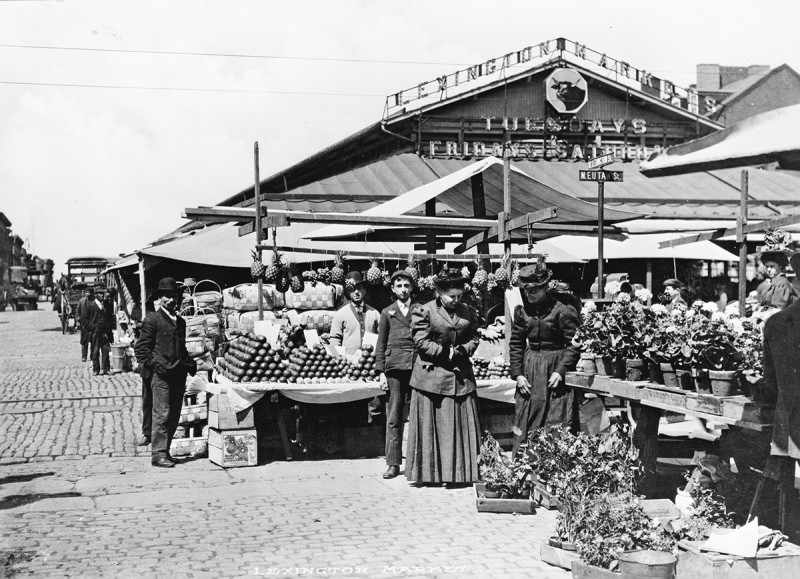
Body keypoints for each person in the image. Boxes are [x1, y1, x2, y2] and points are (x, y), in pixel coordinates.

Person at [406, 268, 481, 485]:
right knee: (435, 427)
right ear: (439, 292)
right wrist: (444, 352)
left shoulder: (467, 310)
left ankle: (460, 473)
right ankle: (431, 474)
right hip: (432, 377)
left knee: (457, 425)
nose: (457, 300)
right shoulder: (424, 311)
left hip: (460, 377)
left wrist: (465, 350)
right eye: (452, 296)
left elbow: (474, 336)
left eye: (460, 295)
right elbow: (420, 341)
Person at [508, 259, 581, 454]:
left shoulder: (563, 310)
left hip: (555, 370)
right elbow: (516, 343)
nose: (529, 295)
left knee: (555, 417)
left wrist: (561, 371)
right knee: (527, 415)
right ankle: (525, 466)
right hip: (530, 369)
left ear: (545, 287)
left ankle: (551, 465)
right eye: (526, 290)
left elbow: (574, 344)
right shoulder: (522, 312)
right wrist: (518, 375)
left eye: (534, 290)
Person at [134, 277, 197, 468]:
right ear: (160, 298)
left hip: (178, 374)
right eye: (167, 297)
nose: (171, 300)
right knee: (162, 413)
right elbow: (141, 349)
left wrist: (190, 364)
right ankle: (158, 454)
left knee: (174, 414)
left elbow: (182, 348)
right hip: (160, 375)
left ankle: (166, 451)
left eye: (174, 296)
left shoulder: (180, 322)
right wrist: (155, 365)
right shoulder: (152, 320)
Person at [375, 270, 418, 479]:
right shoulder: (387, 313)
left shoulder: (420, 310)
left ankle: (417, 462)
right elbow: (380, 344)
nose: (403, 289)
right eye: (399, 285)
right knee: (394, 416)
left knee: (418, 415)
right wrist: (381, 372)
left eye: (407, 285)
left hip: (417, 367)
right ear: (393, 289)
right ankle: (393, 463)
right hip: (394, 369)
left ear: (412, 288)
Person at [329, 271, 380, 355]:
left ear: (364, 290)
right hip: (348, 363)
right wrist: (337, 360)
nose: (356, 292)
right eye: (352, 289)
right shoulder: (340, 314)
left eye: (359, 288)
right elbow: (334, 339)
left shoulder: (374, 313)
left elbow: (382, 337)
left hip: (370, 362)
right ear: (348, 292)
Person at [87, 287, 114, 375]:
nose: (102, 295)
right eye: (99, 294)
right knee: (95, 351)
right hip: (95, 332)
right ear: (95, 295)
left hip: (105, 331)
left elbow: (110, 318)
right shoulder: (91, 305)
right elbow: (84, 319)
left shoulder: (107, 304)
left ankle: (106, 369)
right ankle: (96, 369)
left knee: (105, 350)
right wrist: (92, 327)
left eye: (103, 293)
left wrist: (109, 332)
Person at [77, 287, 94, 362]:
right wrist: (78, 320)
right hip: (84, 324)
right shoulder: (81, 301)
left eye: (89, 292)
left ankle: (92, 355)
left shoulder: (95, 301)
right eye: (87, 292)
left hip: (93, 323)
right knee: (84, 341)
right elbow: (78, 312)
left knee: (93, 341)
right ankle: (84, 356)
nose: (88, 294)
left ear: (92, 293)